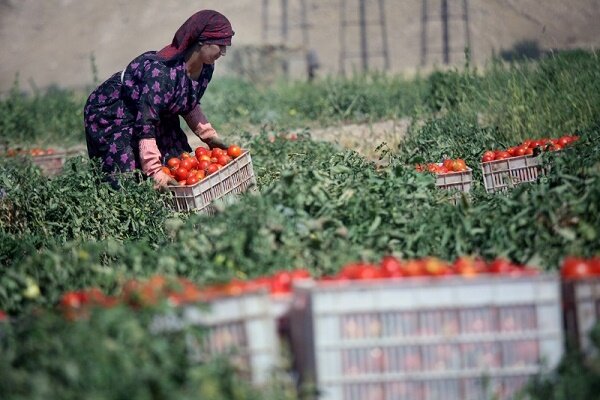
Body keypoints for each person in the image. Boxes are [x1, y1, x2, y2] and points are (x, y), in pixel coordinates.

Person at [84, 10, 234, 187]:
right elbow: (145, 124)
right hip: (116, 110)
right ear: (202, 41)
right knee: (126, 180)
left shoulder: (206, 68)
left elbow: (188, 102)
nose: (223, 52)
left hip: (154, 111)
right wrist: (154, 170)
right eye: (220, 45)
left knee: (176, 163)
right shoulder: (162, 74)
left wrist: (208, 135)